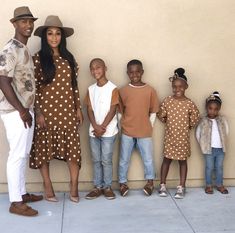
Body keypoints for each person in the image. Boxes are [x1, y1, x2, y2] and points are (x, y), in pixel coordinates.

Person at [29, 15, 83, 203]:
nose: (54, 37)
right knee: (44, 150)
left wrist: (78, 108)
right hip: (46, 113)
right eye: (50, 34)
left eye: (57, 34)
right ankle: (47, 185)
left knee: (73, 152)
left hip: (67, 111)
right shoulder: (37, 59)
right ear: (45, 37)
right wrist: (38, 112)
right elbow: (33, 89)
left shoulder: (69, 58)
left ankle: (74, 185)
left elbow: (74, 85)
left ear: (62, 36)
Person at [0, 6, 43, 216]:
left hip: (26, 110)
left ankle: (22, 193)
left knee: (23, 153)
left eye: (30, 21)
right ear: (14, 24)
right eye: (23, 21)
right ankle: (15, 202)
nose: (28, 25)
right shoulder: (9, 49)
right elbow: (3, 81)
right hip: (15, 112)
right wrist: (21, 110)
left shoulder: (23, 48)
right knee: (16, 155)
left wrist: (28, 110)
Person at [118, 59, 159, 197]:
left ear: (142, 72)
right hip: (127, 132)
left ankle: (150, 183)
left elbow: (153, 111)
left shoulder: (150, 90)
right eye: (131, 72)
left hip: (145, 132)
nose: (134, 74)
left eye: (137, 71)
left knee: (148, 159)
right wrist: (123, 124)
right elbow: (119, 111)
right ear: (127, 73)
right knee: (124, 159)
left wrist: (148, 126)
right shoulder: (123, 91)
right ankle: (122, 183)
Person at [157, 68, 200, 199]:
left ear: (186, 86)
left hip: (183, 139)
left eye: (180, 86)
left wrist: (187, 127)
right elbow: (161, 115)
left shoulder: (189, 104)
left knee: (182, 162)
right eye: (174, 87)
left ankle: (181, 186)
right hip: (170, 138)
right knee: (166, 161)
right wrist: (170, 125)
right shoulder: (167, 101)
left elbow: (195, 118)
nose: (177, 89)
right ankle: (162, 185)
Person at [84, 58, 119, 200]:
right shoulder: (91, 90)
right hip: (94, 132)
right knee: (96, 160)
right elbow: (89, 110)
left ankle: (107, 187)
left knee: (106, 160)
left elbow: (113, 109)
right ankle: (97, 187)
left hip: (108, 132)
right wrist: (96, 127)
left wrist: (103, 127)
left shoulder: (113, 88)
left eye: (98, 67)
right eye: (92, 68)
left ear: (105, 68)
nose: (95, 71)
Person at [196, 91, 229, 194]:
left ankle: (219, 184)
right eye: (210, 108)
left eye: (215, 109)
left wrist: (223, 142)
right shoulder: (203, 121)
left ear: (218, 109)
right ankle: (209, 185)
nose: (213, 111)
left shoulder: (222, 120)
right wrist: (203, 145)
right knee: (209, 167)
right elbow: (198, 134)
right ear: (207, 108)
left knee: (219, 167)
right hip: (208, 150)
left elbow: (226, 131)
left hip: (220, 149)